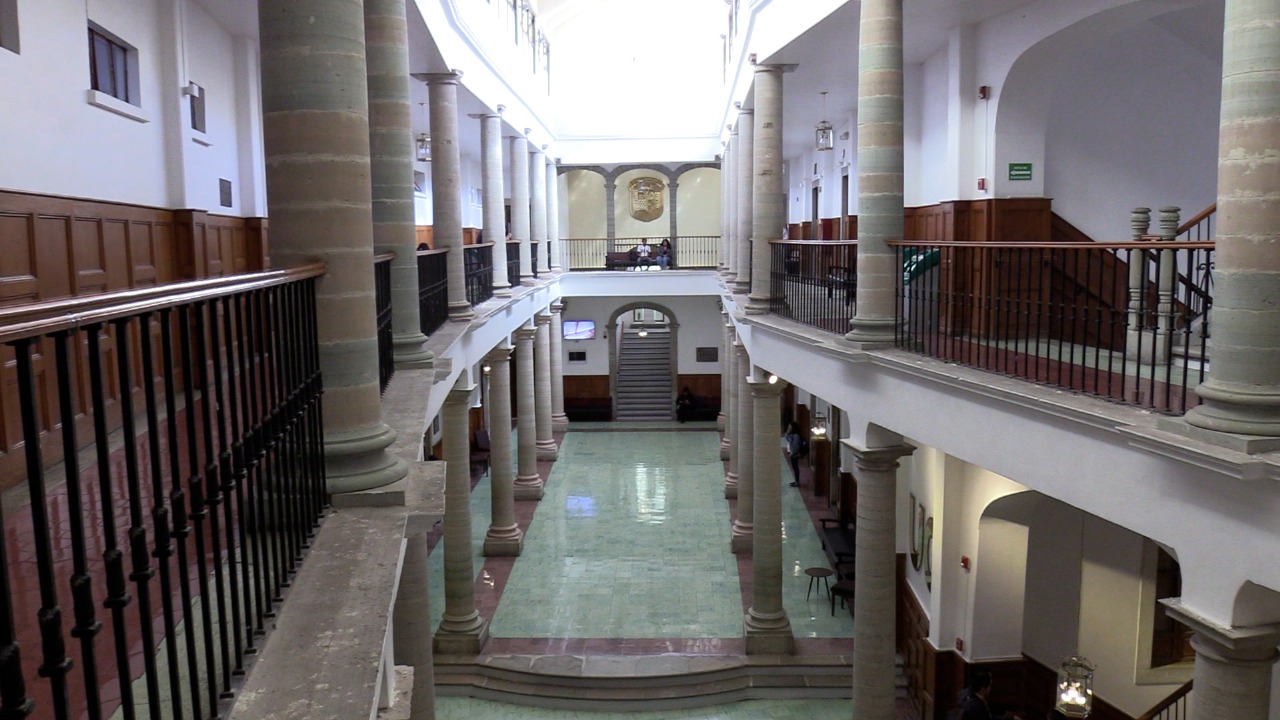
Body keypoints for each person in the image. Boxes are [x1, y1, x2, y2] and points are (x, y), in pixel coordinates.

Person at [951, 672, 1021, 720]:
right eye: (990, 685)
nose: (991, 688)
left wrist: (1009, 717)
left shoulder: (966, 693)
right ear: (983, 688)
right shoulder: (976, 707)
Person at [784, 421, 805, 487]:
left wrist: (792, 453)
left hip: (795, 454)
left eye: (790, 427)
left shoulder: (796, 436)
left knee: (795, 468)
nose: (788, 428)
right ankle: (796, 480)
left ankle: (797, 481)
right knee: (794, 467)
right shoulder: (792, 435)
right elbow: (788, 439)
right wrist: (787, 433)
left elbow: (796, 446)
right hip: (792, 453)